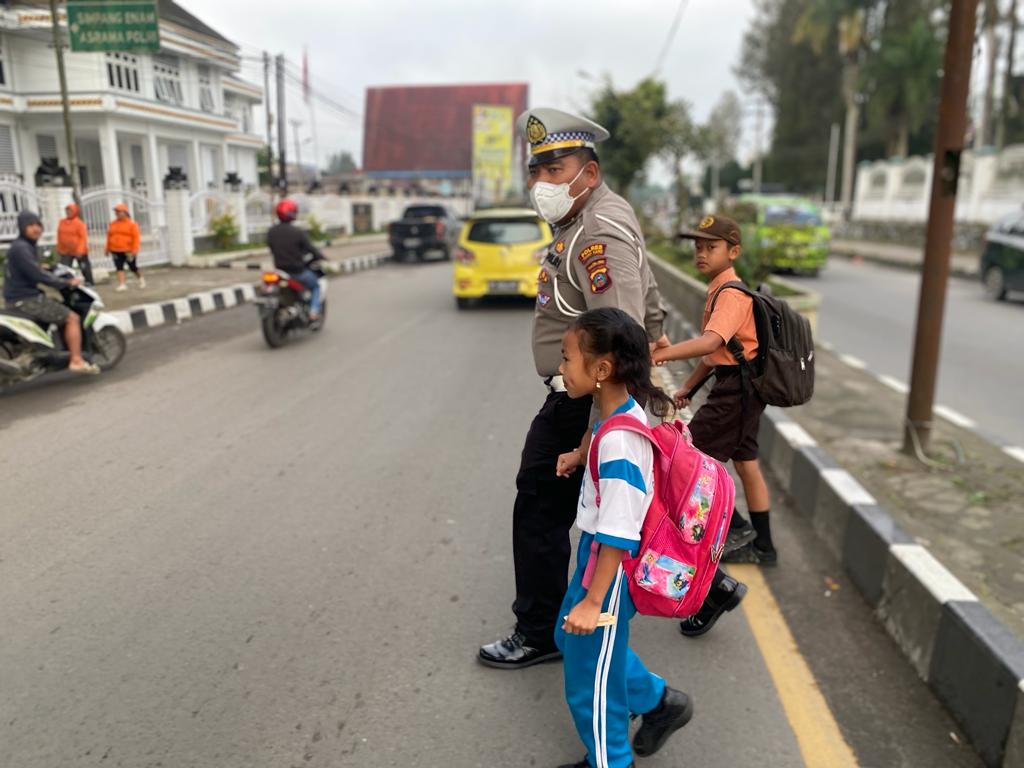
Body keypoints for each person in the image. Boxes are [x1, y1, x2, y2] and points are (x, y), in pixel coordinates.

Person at [478, 107, 673, 669]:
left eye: (553, 167)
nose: (540, 181)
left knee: (540, 503)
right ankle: (711, 586)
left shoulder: (596, 230)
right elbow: (651, 300)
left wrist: (596, 431)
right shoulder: (592, 218)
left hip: (583, 398)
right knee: (629, 499)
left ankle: (538, 630)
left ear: (588, 170)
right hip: (589, 395)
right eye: (534, 170)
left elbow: (620, 334)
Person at [555, 307, 692, 768]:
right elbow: (601, 434)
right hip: (595, 557)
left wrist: (594, 601)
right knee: (572, 639)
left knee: (589, 680)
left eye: (567, 358)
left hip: (607, 566)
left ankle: (611, 761)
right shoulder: (614, 415)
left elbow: (617, 530)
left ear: (601, 369)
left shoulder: (619, 443)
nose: (561, 368)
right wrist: (579, 455)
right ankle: (658, 701)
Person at [651, 215, 774, 636]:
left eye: (711, 247)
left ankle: (731, 544)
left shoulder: (731, 294)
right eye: (698, 246)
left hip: (735, 394)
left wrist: (659, 358)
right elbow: (717, 352)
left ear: (733, 252)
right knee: (747, 462)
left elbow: (709, 343)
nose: (701, 253)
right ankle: (765, 544)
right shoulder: (718, 290)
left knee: (687, 471)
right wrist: (685, 387)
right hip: (737, 387)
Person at [3, 210, 99, 375]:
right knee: (72, 318)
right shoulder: (22, 248)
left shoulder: (22, 246)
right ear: (22, 227)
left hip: (18, 298)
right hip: (27, 299)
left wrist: (46, 268)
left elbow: (31, 269)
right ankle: (76, 360)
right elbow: (36, 274)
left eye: (38, 225)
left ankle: (46, 352)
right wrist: (65, 282)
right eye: (31, 225)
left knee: (55, 304)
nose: (36, 229)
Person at [266, 198, 324, 321]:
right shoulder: (298, 232)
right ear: (293, 213)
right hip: (297, 272)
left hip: (280, 271)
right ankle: (313, 311)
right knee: (315, 286)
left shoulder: (271, 232)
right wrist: (320, 256)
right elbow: (310, 248)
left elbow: (271, 247)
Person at [106, 202, 144, 291]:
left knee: (132, 267)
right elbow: (109, 236)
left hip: (128, 250)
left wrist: (135, 249)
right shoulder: (113, 224)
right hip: (115, 249)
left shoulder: (132, 224)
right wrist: (107, 248)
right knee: (119, 267)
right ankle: (122, 284)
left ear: (125, 212)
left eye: (119, 211)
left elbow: (136, 238)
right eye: (116, 212)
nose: (117, 213)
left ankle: (141, 278)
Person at [56, 202, 93, 285]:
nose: (68, 212)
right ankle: (64, 284)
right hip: (66, 251)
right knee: (64, 268)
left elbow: (83, 238)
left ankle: (89, 282)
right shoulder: (62, 222)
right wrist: (59, 248)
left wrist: (79, 250)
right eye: (67, 210)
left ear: (75, 211)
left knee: (84, 268)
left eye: (70, 211)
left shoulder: (79, 223)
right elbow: (59, 235)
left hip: (79, 250)